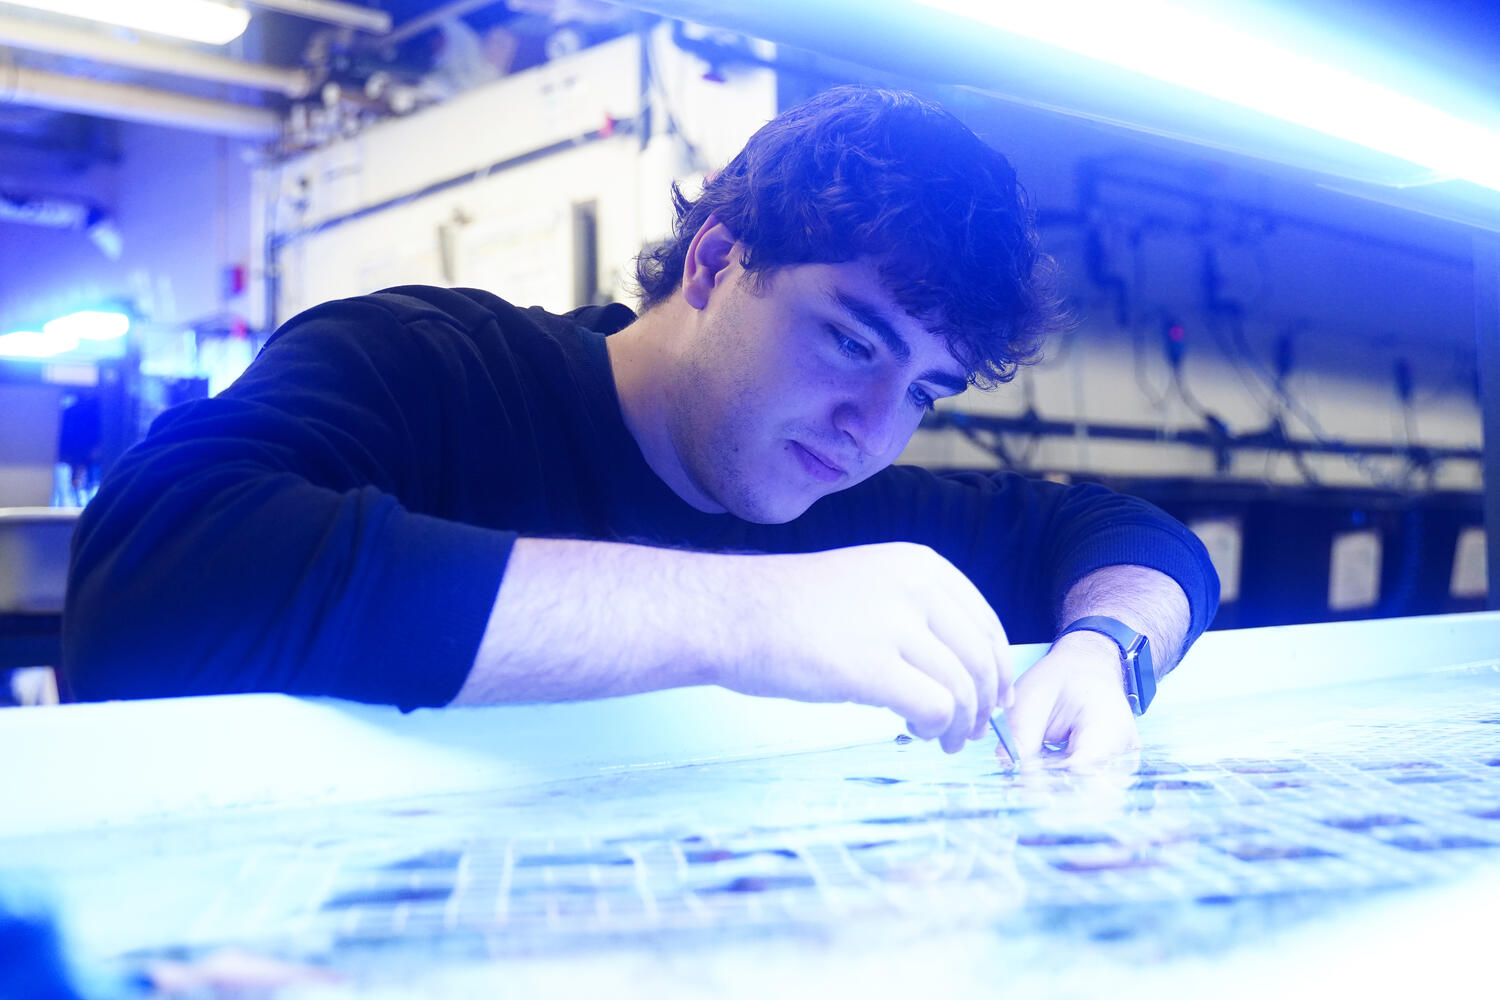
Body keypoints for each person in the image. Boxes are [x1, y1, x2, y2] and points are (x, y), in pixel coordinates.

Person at [63, 87, 1218, 763]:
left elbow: (1137, 540)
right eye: (855, 342)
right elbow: (150, 584)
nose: (874, 426)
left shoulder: (840, 494)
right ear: (718, 260)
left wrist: (1105, 651)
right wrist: (738, 613)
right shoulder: (434, 367)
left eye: (923, 391)